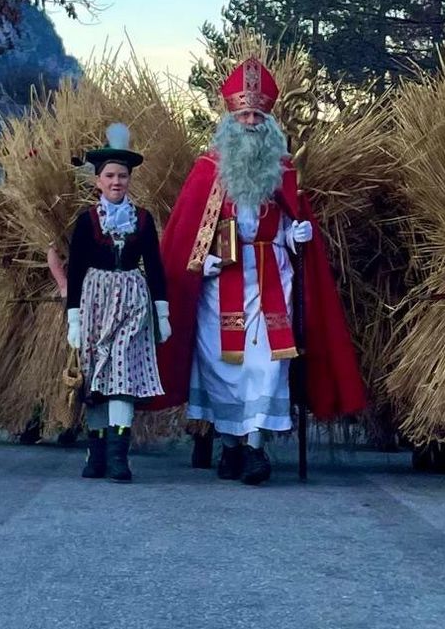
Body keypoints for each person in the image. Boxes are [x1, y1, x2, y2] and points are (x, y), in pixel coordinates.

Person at [156, 57, 366, 485]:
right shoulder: (206, 170)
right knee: (223, 368)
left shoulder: (284, 170)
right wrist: (206, 264)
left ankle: (255, 449)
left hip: (273, 277)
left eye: (257, 115)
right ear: (230, 119)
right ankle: (230, 447)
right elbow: (187, 238)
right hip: (221, 286)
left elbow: (290, 226)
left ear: (268, 120)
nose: (250, 121)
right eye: (243, 115)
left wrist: (300, 235)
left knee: (268, 364)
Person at [65, 124, 170, 483]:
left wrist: (161, 310)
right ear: (98, 181)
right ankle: (96, 456)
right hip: (94, 300)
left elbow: (155, 266)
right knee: (96, 376)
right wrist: (74, 320)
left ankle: (118, 459)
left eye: (122, 176)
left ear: (129, 180)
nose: (116, 182)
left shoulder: (142, 220)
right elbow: (75, 270)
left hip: (131, 300)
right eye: (109, 175)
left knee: (122, 371)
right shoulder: (85, 221)